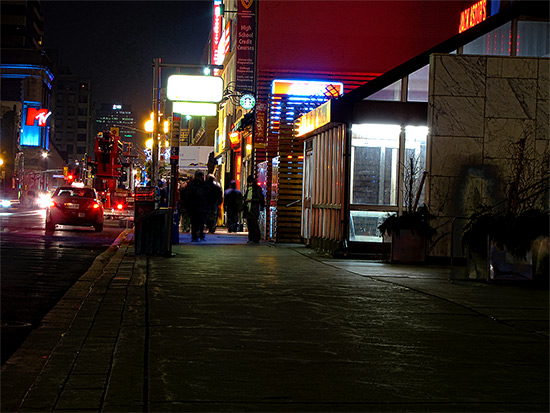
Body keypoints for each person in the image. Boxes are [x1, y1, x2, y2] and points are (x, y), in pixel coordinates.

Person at [184, 170, 208, 241]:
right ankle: (197, 235)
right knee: (197, 222)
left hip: (196, 207)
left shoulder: (192, 184)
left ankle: (197, 235)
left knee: (197, 222)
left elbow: (187, 195)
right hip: (196, 207)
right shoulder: (202, 185)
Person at [243, 175, 265, 243]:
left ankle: (255, 238)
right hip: (248, 208)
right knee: (249, 224)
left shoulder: (257, 189)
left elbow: (260, 199)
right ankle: (251, 238)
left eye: (250, 182)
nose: (250, 184)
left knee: (254, 224)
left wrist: (251, 200)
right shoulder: (248, 189)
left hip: (254, 209)